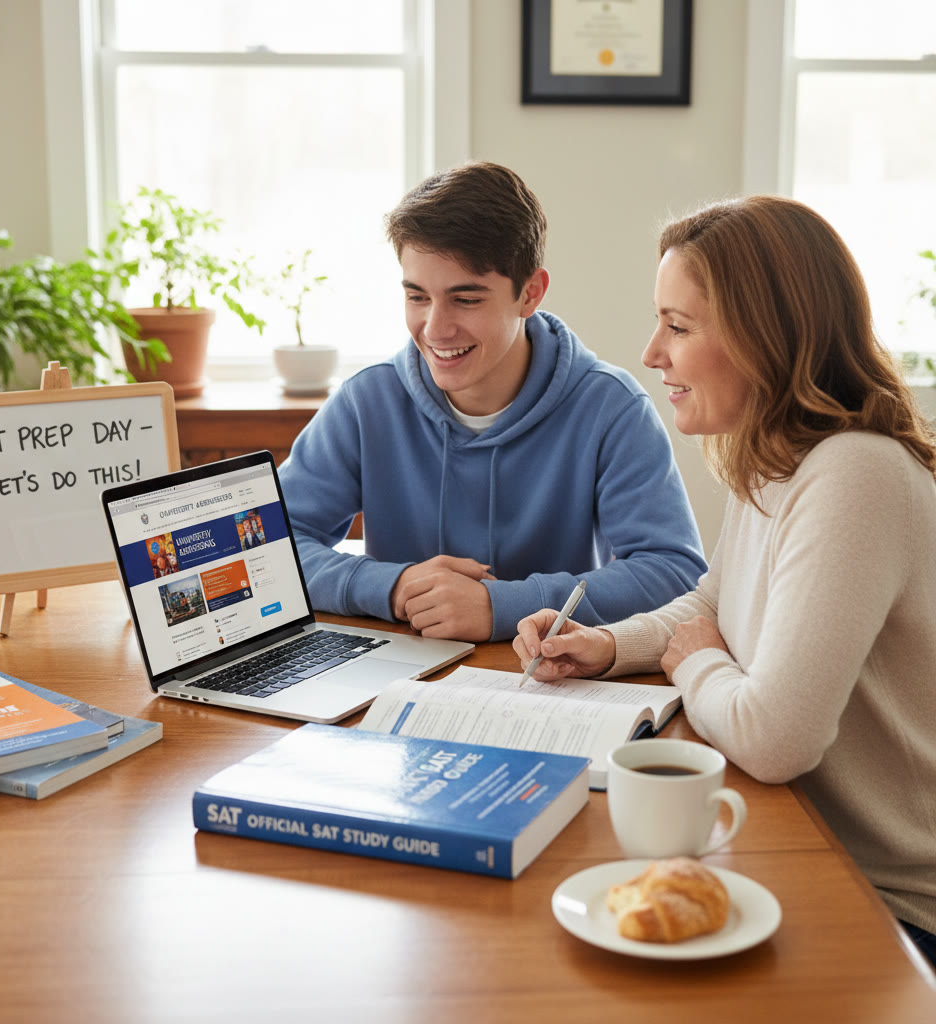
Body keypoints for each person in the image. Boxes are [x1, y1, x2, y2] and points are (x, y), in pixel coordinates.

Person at [513, 195, 936, 969]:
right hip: (817, 851)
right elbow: (714, 604)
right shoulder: (781, 458)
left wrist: (696, 661)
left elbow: (775, 740)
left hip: (897, 910)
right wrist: (605, 645)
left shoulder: (854, 474)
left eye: (678, 326)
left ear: (763, 336)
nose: (651, 352)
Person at [277, 161, 706, 642]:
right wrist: (393, 586)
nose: (436, 329)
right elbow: (271, 547)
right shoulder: (368, 401)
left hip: (547, 680)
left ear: (530, 294)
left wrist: (500, 606)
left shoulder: (611, 408)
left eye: (466, 299)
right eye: (417, 297)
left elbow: (673, 572)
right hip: (395, 678)